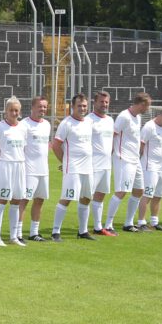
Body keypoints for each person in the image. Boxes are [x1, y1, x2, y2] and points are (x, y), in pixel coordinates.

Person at [49, 93, 94, 242]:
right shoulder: (66, 123)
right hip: (73, 167)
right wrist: (65, 161)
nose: (82, 108)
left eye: (84, 106)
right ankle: (55, 232)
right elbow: (55, 145)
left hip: (88, 167)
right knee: (67, 198)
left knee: (87, 198)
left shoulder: (88, 122)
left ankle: (83, 231)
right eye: (79, 106)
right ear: (73, 107)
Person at [105, 92, 151, 233]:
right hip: (123, 158)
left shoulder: (138, 117)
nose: (148, 109)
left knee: (139, 190)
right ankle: (108, 224)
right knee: (121, 191)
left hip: (135, 159)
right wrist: (110, 154)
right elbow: (113, 135)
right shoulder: (124, 116)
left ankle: (129, 223)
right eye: (147, 106)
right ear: (141, 104)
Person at [0, 97, 28, 247]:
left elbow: (23, 148)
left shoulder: (23, 128)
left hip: (20, 165)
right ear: (6, 111)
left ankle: (13, 236)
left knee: (16, 201)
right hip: (5, 166)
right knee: (2, 201)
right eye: (11, 110)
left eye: (16, 110)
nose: (14, 113)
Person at [139, 106, 162, 231]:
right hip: (150, 166)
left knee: (158, 195)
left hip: (161, 167)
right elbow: (141, 144)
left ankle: (154, 221)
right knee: (147, 194)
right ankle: (141, 222)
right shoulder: (149, 126)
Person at [86, 91, 115, 236]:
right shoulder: (88, 120)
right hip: (92, 164)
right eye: (101, 102)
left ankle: (98, 227)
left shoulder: (110, 120)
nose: (104, 104)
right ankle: (83, 229)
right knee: (86, 196)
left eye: (106, 102)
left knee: (101, 194)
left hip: (106, 164)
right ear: (95, 103)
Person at [23, 96, 51, 242]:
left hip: (43, 170)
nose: (43, 109)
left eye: (45, 107)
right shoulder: (24, 125)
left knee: (39, 200)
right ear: (32, 107)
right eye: (40, 106)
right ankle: (17, 232)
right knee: (24, 200)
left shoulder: (47, 124)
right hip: (29, 170)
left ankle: (34, 232)